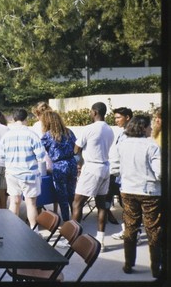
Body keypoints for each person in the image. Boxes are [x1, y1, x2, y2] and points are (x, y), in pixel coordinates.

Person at [116, 115, 161, 278]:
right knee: (153, 229)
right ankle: (156, 267)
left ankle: (128, 264)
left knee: (130, 227)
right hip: (149, 192)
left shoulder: (123, 144)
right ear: (143, 128)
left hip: (128, 190)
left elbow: (115, 165)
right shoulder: (152, 146)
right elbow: (160, 172)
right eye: (149, 126)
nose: (151, 129)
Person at [71, 102, 114, 251]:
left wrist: (80, 156)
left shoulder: (89, 128)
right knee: (102, 205)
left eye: (91, 112)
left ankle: (73, 239)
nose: (90, 114)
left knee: (77, 203)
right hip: (105, 168)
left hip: (91, 168)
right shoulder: (110, 129)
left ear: (95, 112)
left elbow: (76, 149)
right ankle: (100, 241)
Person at [0, 109, 46, 230]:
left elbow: (2, 156)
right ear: (26, 119)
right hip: (29, 174)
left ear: (13, 119)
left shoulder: (6, 136)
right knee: (31, 204)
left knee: (14, 202)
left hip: (11, 174)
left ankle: (12, 230)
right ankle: (34, 231)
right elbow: (41, 156)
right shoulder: (32, 135)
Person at [40, 110, 77, 222]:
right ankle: (76, 218)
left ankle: (66, 220)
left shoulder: (47, 136)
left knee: (62, 195)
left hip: (59, 166)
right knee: (72, 194)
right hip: (71, 163)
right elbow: (76, 147)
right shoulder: (69, 132)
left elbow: (40, 152)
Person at [108, 107, 136, 240]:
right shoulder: (122, 132)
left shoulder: (130, 133)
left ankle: (133, 234)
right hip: (119, 174)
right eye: (115, 118)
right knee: (124, 204)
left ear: (128, 118)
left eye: (119, 117)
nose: (116, 120)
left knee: (128, 206)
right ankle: (127, 231)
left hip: (126, 175)